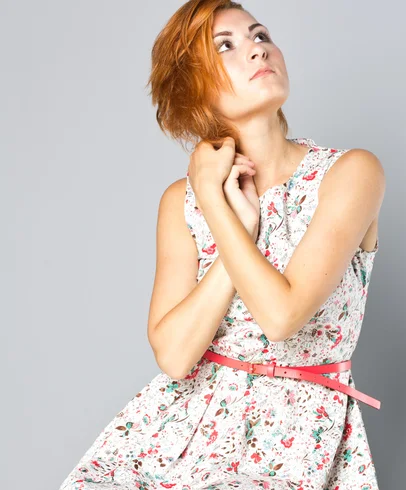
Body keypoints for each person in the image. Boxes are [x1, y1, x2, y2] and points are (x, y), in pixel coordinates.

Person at [59, 1, 385, 488]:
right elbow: (173, 355)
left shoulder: (350, 174)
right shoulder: (180, 202)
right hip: (180, 430)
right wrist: (223, 210)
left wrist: (217, 204)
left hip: (294, 441)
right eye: (226, 47)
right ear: (196, 93)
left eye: (260, 36)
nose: (257, 51)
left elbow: (282, 317)